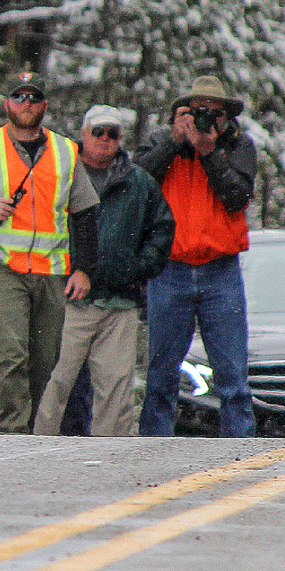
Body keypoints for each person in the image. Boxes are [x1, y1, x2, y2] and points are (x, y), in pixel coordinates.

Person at [0, 71, 99, 434]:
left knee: (43, 361)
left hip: (51, 269)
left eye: (33, 98)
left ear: (44, 105)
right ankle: (9, 433)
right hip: (3, 266)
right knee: (10, 355)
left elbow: (87, 213)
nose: (26, 104)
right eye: (19, 97)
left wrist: (84, 269)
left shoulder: (65, 150)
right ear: (6, 105)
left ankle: (28, 431)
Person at [33, 105, 175, 436]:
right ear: (83, 134)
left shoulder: (139, 181)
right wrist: (58, 269)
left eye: (113, 133)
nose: (105, 139)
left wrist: (139, 268)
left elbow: (162, 229)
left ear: (121, 139)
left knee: (116, 390)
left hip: (119, 302)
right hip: (68, 299)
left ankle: (113, 465)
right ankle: (34, 450)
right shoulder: (59, 173)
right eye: (98, 132)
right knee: (53, 383)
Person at [135, 76, 258, 437]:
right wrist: (175, 142)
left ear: (226, 117)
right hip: (170, 269)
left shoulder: (238, 147)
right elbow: (138, 183)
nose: (206, 119)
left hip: (220, 270)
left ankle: (240, 450)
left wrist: (208, 153)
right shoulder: (163, 142)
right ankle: (154, 447)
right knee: (161, 372)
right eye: (198, 111)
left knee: (232, 374)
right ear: (181, 113)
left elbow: (236, 196)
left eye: (214, 112)